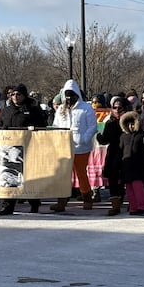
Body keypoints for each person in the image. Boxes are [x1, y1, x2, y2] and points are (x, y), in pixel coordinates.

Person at [0, 83, 45, 216]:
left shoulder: (33, 109)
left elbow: (42, 127)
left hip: (28, 149)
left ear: (24, 95)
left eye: (18, 94)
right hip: (9, 150)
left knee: (28, 177)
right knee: (9, 177)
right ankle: (7, 205)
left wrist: (33, 129)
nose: (15, 97)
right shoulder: (7, 110)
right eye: (13, 94)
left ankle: (34, 202)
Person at [48, 79, 98, 212]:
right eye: (67, 95)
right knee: (64, 175)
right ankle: (62, 201)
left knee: (81, 173)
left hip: (81, 148)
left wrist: (84, 139)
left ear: (77, 94)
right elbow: (55, 125)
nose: (69, 98)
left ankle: (87, 199)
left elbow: (93, 126)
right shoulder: (60, 109)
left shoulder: (86, 108)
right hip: (64, 147)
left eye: (72, 94)